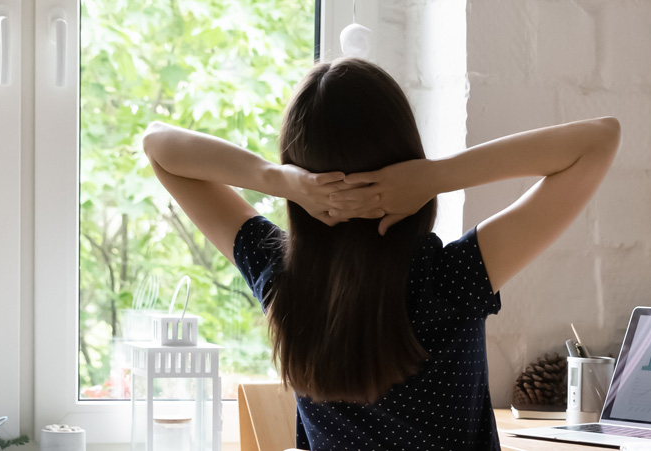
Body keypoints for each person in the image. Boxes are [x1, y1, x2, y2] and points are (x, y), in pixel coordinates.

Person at [142, 58, 619, 450]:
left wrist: (279, 179)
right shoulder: (454, 278)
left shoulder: (283, 277)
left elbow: (159, 147)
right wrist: (435, 176)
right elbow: (598, 141)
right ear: (404, 153)